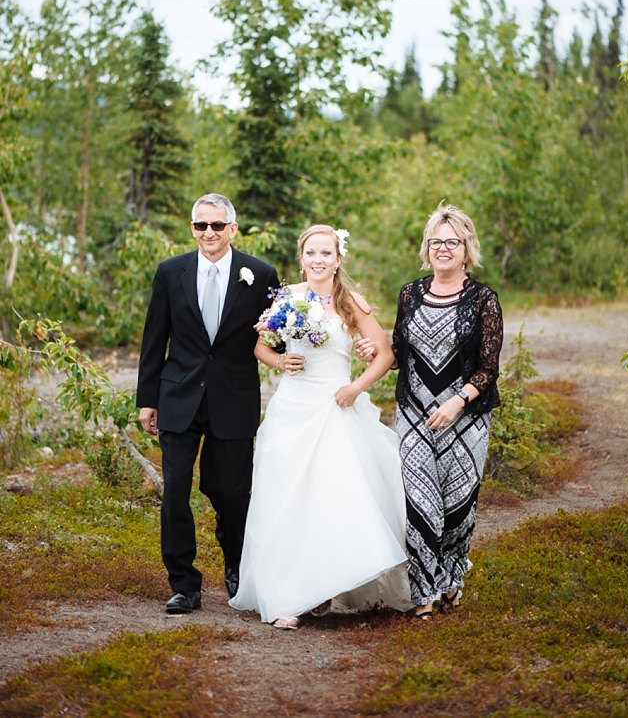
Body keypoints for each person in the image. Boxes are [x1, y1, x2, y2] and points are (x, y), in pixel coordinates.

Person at [230, 225, 411, 630]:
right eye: (311, 253)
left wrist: (356, 387)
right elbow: (261, 344)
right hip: (293, 409)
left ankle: (322, 586)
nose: (318, 260)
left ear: (338, 259)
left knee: (329, 500)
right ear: (302, 258)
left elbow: (384, 355)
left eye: (326, 253)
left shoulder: (353, 304)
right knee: (284, 499)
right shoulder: (287, 298)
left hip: (336, 407)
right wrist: (278, 362)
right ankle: (285, 598)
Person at [136, 193, 279, 614]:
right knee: (175, 492)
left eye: (217, 226)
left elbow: (278, 335)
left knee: (231, 494)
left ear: (233, 229)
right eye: (201, 226)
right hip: (178, 396)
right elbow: (154, 339)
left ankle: (236, 567)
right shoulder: (170, 272)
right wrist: (147, 399)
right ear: (192, 228)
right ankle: (184, 584)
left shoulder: (261, 272)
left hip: (233, 398)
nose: (209, 233)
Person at [392, 204, 503, 620]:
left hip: (466, 418)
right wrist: (371, 354)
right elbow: (399, 353)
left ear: (466, 247)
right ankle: (423, 593)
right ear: (426, 248)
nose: (443, 248)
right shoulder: (410, 294)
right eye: (436, 241)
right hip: (414, 415)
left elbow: (488, 368)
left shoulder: (483, 300)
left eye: (451, 241)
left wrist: (457, 402)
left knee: (457, 508)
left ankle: (451, 581)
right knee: (419, 503)